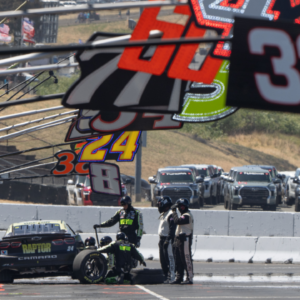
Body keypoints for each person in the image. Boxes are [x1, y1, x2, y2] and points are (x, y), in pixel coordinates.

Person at [170, 198, 194, 284]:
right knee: (178, 259)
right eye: (180, 206)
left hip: (185, 239)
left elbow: (177, 221)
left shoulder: (187, 215)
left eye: (183, 206)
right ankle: (179, 277)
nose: (181, 208)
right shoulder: (183, 215)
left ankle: (189, 277)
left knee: (186, 259)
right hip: (179, 239)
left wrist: (173, 211)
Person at [157, 196, 176, 283]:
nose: (159, 206)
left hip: (168, 239)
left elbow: (172, 229)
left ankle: (172, 276)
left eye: (160, 204)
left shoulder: (170, 214)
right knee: (163, 259)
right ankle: (165, 276)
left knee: (170, 258)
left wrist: (168, 240)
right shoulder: (164, 213)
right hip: (161, 239)